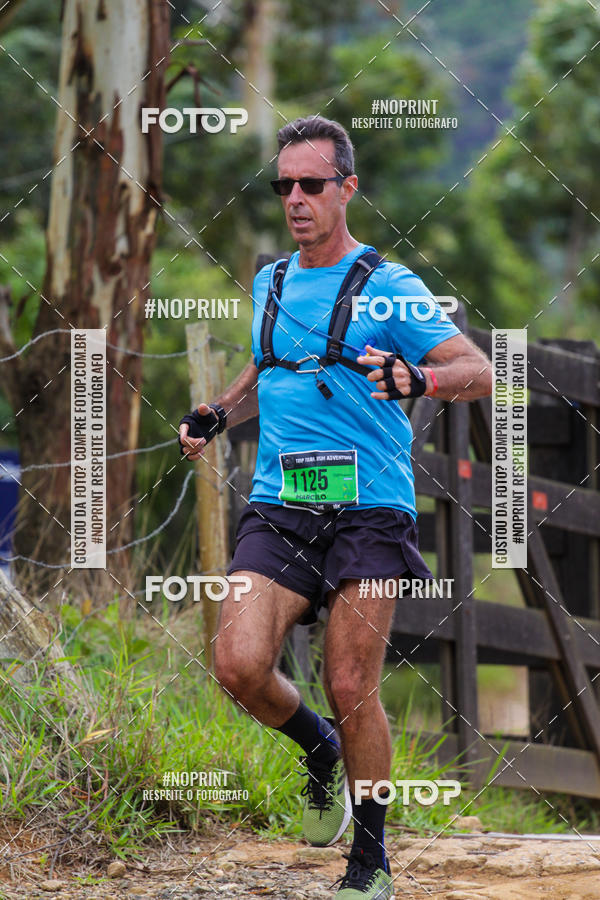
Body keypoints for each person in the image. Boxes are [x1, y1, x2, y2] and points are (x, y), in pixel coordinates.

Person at [179, 115, 492, 899]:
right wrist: (217, 411)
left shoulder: (391, 285)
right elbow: (265, 362)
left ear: (347, 189)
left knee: (351, 682)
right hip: (282, 503)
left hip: (369, 509)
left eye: (311, 184)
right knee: (237, 663)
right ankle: (317, 749)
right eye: (283, 184)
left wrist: (418, 380)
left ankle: (371, 858)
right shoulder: (271, 281)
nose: (295, 198)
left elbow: (477, 369)